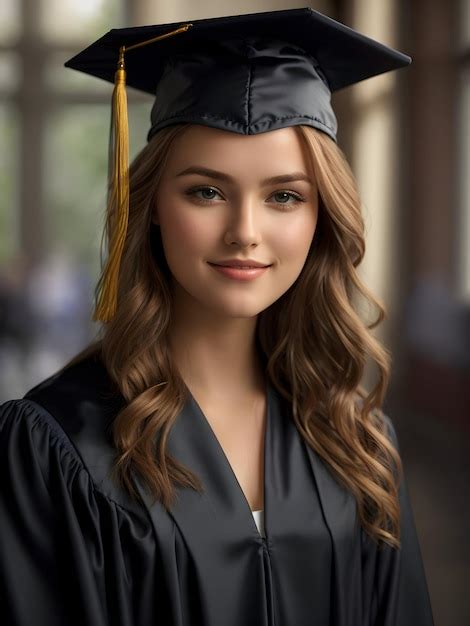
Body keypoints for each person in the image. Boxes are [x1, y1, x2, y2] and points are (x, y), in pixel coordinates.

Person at [0, 7, 435, 626]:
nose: (245, 234)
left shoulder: (358, 438)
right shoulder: (56, 445)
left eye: (284, 196)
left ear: (321, 218)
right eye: (206, 191)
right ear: (150, 207)